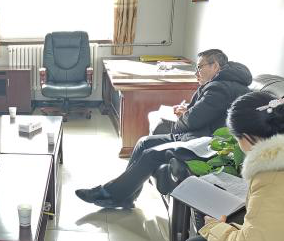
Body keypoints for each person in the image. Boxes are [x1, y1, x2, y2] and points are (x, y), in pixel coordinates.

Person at [99, 90, 284, 241]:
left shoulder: (272, 178)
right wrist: (219, 231)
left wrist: (216, 227)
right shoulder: (274, 169)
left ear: (248, 137)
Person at [76, 49, 252, 208]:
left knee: (150, 154)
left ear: (215, 66)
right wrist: (187, 111)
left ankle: (110, 193)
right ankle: (126, 196)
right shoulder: (224, 84)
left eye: (200, 67)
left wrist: (181, 119)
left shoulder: (220, 88)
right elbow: (204, 114)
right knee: (144, 142)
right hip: (197, 136)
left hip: (204, 145)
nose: (196, 73)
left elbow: (192, 121)